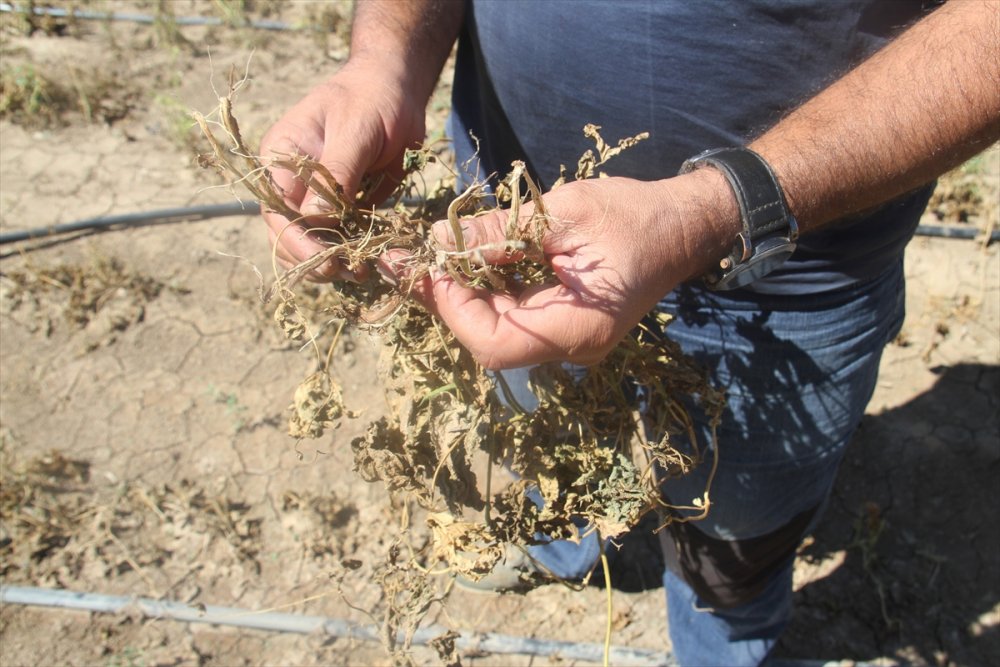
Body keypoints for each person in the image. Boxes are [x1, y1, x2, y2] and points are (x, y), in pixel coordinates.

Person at [260, 1, 1000, 664]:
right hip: (514, 255)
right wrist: (384, 57)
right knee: (546, 440)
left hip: (788, 292)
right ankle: (564, 538)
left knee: (734, 539)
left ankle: (725, 639)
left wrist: (718, 207)